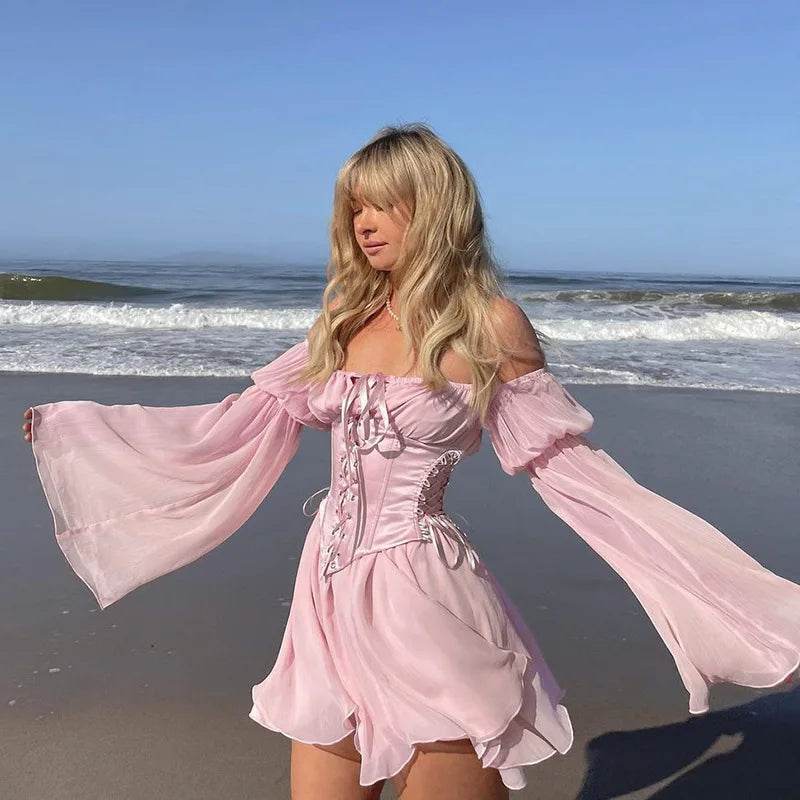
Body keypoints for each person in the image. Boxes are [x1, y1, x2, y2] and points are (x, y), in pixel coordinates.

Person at [22, 123, 800, 800]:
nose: (362, 223)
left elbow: (582, 478)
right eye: (353, 207)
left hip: (422, 594)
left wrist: (739, 599)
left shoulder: (490, 324)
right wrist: (85, 428)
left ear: (434, 206)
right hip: (326, 589)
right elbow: (238, 422)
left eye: (381, 204)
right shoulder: (344, 315)